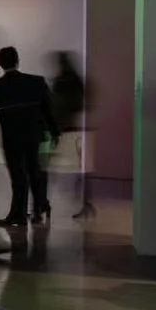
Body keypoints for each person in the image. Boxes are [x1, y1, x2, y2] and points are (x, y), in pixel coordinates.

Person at [0, 46, 59, 227]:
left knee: (18, 174)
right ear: (17, 60)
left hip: (11, 137)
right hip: (34, 134)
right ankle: (38, 209)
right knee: (35, 171)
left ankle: (18, 213)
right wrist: (54, 131)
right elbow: (48, 109)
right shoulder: (36, 82)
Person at [50, 51, 91, 217]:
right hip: (73, 128)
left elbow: (55, 105)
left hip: (61, 129)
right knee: (79, 170)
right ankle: (85, 204)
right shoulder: (77, 81)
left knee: (48, 170)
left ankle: (41, 205)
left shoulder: (61, 82)